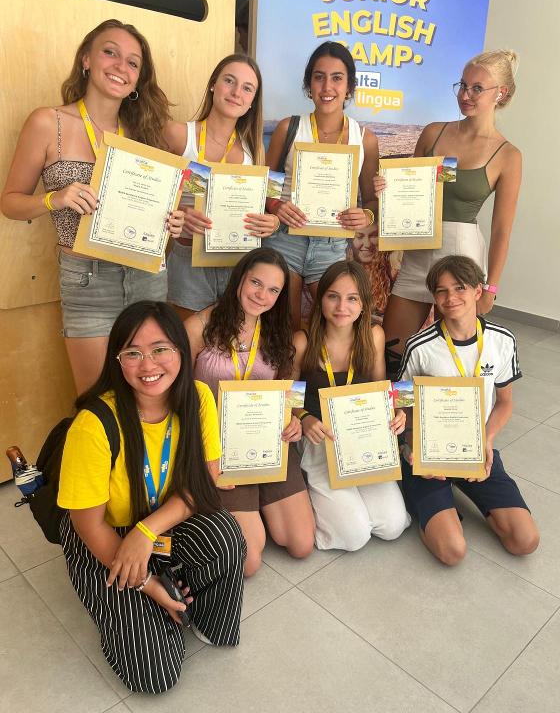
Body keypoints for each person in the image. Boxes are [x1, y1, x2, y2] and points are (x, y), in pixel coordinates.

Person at [57, 301, 246, 693]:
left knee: (227, 535)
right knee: (155, 675)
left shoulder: (197, 398)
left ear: (181, 351)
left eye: (160, 349)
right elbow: (87, 524)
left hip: (161, 519)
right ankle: (150, 597)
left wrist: (146, 532)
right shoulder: (93, 425)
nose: (148, 365)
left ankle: (187, 606)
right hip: (104, 534)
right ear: (118, 360)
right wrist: (146, 584)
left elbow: (204, 481)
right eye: (133, 353)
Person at [0, 19, 184, 394]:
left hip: (147, 277)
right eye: (110, 52)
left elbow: (158, 210)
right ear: (86, 59)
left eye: (133, 62)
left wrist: (171, 223)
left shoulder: (146, 133)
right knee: (97, 402)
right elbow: (10, 202)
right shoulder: (48, 122)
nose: (120, 66)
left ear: (138, 78)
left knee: (150, 398)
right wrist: (55, 198)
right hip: (87, 280)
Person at [399, 255, 539, 566]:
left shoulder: (502, 341)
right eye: (441, 290)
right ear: (434, 297)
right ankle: (427, 501)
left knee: (525, 540)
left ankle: (464, 492)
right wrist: (411, 447)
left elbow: (505, 402)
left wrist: (486, 440)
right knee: (452, 552)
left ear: (478, 291)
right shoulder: (420, 346)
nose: (450, 297)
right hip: (428, 453)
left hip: (476, 449)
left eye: (459, 287)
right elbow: (402, 403)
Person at [382, 50, 522, 355]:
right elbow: (409, 193)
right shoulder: (434, 132)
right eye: (462, 85)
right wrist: (387, 190)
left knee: (451, 357)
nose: (465, 95)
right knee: (391, 350)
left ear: (501, 93)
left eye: (477, 88)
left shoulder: (508, 156)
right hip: (418, 253)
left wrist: (491, 288)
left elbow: (502, 230)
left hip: (462, 260)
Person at [185, 247, 315, 575]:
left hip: (268, 443)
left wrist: (294, 418)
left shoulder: (277, 331)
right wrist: (200, 452)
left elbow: (289, 388)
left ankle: (257, 506)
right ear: (240, 278)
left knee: (301, 544)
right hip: (219, 448)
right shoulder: (199, 325)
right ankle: (241, 511)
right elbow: (177, 391)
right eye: (256, 283)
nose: (262, 295)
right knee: (248, 563)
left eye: (273, 290)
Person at [292, 260, 411, 551]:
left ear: (364, 304)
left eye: (352, 298)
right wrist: (304, 417)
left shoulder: (374, 335)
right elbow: (287, 395)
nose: (341, 307)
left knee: (393, 526)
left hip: (361, 439)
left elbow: (381, 385)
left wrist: (399, 410)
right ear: (320, 299)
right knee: (354, 536)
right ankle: (308, 487)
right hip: (321, 439)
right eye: (333, 296)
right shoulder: (303, 340)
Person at [265, 41, 379, 329]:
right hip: (286, 238)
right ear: (309, 85)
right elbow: (264, 188)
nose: (327, 87)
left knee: (339, 328)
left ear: (349, 87)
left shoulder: (365, 139)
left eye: (337, 78)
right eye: (319, 77)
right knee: (285, 329)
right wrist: (276, 206)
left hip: (332, 245)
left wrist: (365, 216)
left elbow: (372, 202)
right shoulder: (288, 128)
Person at [165, 54, 279, 319]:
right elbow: (150, 195)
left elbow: (266, 205)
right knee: (188, 340)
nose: (237, 92)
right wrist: (180, 212)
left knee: (231, 343)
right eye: (229, 81)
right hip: (188, 261)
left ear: (252, 102)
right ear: (213, 84)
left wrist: (272, 222)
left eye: (247, 88)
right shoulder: (178, 135)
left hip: (238, 263)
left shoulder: (255, 150)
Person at [348, 218, 399, 321]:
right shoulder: (341, 273)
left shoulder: (392, 271)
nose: (367, 244)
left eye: (374, 235)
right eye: (359, 236)